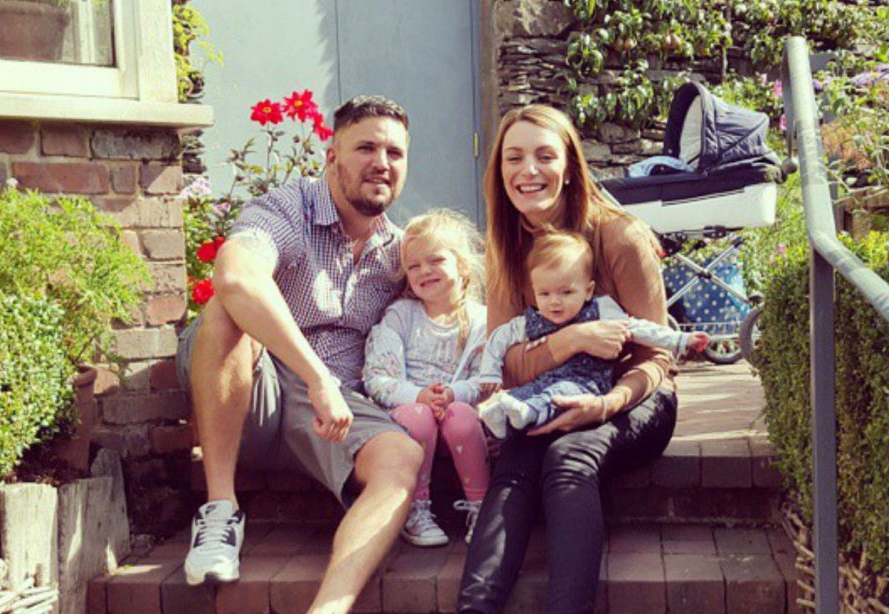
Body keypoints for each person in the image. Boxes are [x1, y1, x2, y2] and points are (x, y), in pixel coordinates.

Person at [176, 95, 423, 614]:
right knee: (225, 309)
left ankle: (329, 608)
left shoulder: (398, 251)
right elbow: (237, 275)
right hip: (257, 391)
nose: (382, 162)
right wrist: (317, 376)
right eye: (366, 147)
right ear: (332, 157)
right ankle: (220, 509)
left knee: (402, 457)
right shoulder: (290, 208)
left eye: (395, 153)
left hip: (330, 415)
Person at [456, 104, 681, 614]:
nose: (527, 170)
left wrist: (606, 406)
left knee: (567, 458)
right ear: (499, 172)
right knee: (517, 461)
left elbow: (657, 358)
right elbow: (509, 365)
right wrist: (574, 340)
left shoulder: (619, 237)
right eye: (513, 158)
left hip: (633, 397)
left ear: (570, 167)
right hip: (547, 396)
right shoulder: (506, 248)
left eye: (543, 156)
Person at [478, 230, 709, 437]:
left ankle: (527, 413)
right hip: (544, 379)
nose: (554, 302)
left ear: (588, 291)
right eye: (544, 294)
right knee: (523, 393)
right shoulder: (531, 320)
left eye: (566, 292)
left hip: (585, 383)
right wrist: (490, 373)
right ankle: (502, 419)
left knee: (559, 394)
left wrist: (681, 340)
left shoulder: (601, 312)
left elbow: (641, 329)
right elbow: (499, 337)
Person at [362, 209, 490, 546]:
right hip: (410, 417)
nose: (424, 271)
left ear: (461, 266)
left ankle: (482, 507)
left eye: (435, 260)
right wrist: (418, 396)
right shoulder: (401, 317)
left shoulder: (480, 321)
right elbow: (377, 378)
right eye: (414, 266)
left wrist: (453, 393)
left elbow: (487, 378)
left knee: (461, 416)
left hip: (457, 415)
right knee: (418, 418)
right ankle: (415, 508)